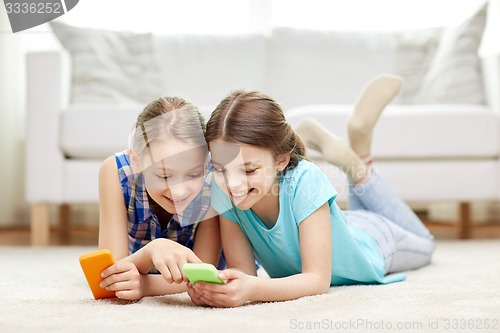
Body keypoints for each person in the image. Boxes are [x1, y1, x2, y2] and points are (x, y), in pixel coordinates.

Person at [187, 76, 436, 307]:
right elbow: (244, 271)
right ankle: (358, 155)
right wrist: (222, 289)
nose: (233, 184)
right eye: (219, 169)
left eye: (249, 170)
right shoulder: (222, 192)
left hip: (377, 240)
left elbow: (317, 281)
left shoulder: (306, 179)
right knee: (347, 225)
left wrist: (252, 290)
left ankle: (360, 161)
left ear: (281, 161)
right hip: (337, 226)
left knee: (427, 243)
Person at [98, 96, 222, 300]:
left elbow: (202, 275)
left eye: (193, 174)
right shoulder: (116, 171)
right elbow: (110, 274)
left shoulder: (214, 179)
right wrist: (152, 250)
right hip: (140, 264)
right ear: (136, 160)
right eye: (164, 176)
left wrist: (145, 285)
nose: (179, 192)